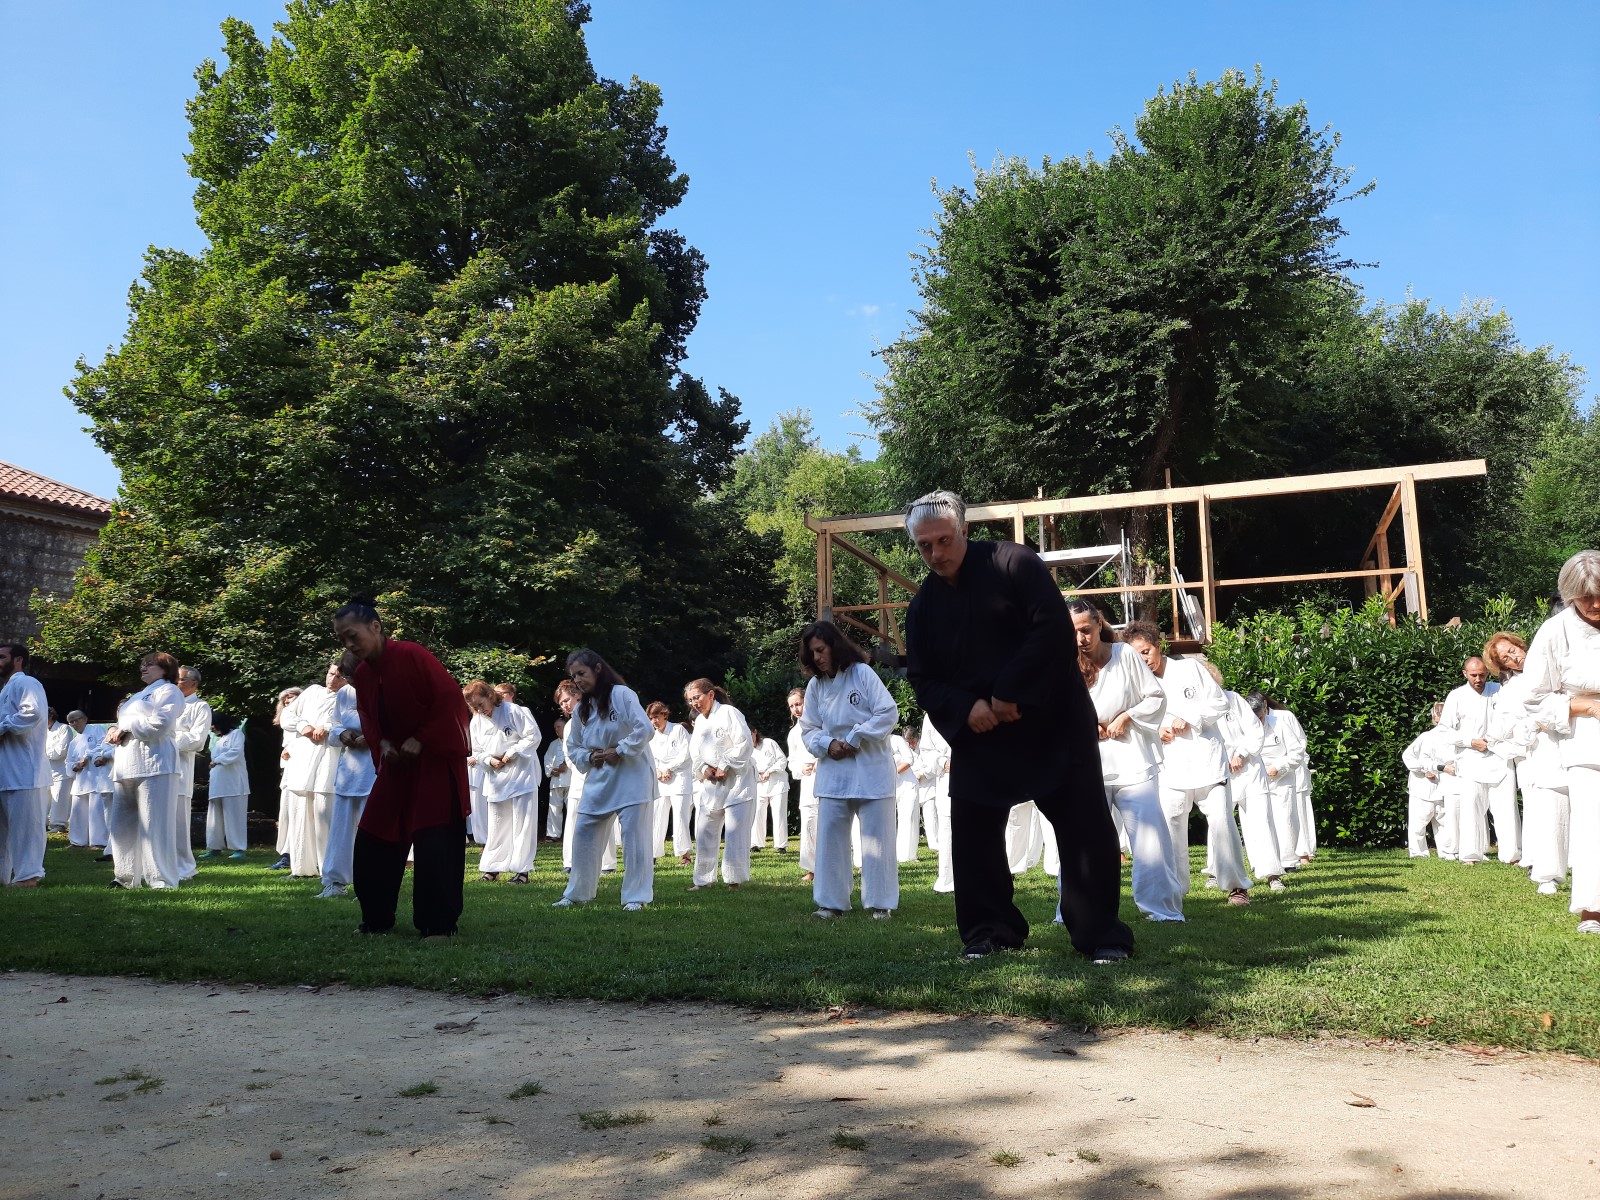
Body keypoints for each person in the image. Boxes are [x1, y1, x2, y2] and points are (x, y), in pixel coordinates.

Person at [903, 490, 1134, 961]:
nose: (936, 554)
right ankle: (989, 930)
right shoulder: (923, 607)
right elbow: (923, 679)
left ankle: (1100, 934)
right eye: (924, 546)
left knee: (1084, 826)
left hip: (1053, 720)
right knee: (973, 834)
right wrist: (967, 708)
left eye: (944, 540)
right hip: (982, 731)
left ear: (964, 530)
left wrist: (1010, 692)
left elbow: (1051, 631)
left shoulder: (1014, 563)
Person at [333, 599, 471, 940]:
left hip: (434, 762)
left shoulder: (412, 654)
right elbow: (369, 716)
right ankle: (376, 919)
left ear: (375, 627)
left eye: (353, 635)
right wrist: (381, 743)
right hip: (397, 766)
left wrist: (422, 738)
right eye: (343, 639)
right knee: (373, 836)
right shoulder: (364, 674)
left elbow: (450, 700)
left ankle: (438, 925)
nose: (349, 644)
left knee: (435, 841)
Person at [1122, 623, 1251, 907]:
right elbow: (1134, 721)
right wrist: (1157, 730)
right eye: (1137, 655)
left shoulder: (1190, 669)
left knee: (1221, 821)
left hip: (1207, 759)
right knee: (1170, 826)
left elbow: (1219, 703)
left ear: (1158, 646)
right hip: (1169, 765)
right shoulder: (1135, 685)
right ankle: (1176, 888)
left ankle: (1236, 886)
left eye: (1146, 651)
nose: (1144, 659)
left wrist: (1190, 718)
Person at [1071, 601, 1184, 923]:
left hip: (1133, 760)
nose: (1080, 639)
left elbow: (1155, 697)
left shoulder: (1125, 655)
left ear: (1098, 625)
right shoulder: (1062, 661)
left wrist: (1127, 716)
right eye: (1073, 632)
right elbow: (1053, 708)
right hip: (1088, 762)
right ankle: (1075, 909)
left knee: (1149, 838)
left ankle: (1161, 908)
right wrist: (1086, 725)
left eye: (1085, 630)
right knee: (1081, 838)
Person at [799, 621, 900, 919]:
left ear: (834, 646)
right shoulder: (816, 686)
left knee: (877, 840)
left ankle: (880, 903)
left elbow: (887, 713)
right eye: (812, 653)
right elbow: (808, 729)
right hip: (834, 772)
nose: (817, 657)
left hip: (871, 769)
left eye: (821, 650)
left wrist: (856, 737)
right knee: (830, 838)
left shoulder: (862, 674)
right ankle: (831, 902)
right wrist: (828, 744)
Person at [1522, 550, 1600, 934]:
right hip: (1586, 742)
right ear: (1570, 596)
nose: (1596, 604)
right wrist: (1585, 706)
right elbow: (1533, 698)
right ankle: (1593, 910)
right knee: (1594, 824)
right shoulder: (1555, 632)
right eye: (1587, 597)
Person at [556, 649, 655, 910]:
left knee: (634, 839)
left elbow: (644, 729)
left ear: (597, 669)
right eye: (574, 676)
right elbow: (573, 747)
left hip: (632, 775)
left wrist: (620, 750)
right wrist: (591, 757)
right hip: (599, 777)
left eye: (581, 673)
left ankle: (636, 897)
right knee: (584, 832)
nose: (578, 680)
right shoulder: (582, 709)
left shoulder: (621, 695)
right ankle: (577, 893)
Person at [105, 652, 187, 889]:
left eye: (150, 665)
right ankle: (125, 877)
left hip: (155, 762)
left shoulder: (169, 691)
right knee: (122, 825)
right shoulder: (137, 696)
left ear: (166, 669)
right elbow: (123, 724)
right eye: (142, 664)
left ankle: (161, 879)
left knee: (154, 824)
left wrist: (125, 728)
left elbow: (160, 724)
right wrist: (114, 729)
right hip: (126, 764)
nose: (143, 668)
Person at [464, 679, 542, 885]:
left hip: (521, 774)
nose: (479, 710)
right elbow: (477, 751)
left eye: (480, 704)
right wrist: (489, 760)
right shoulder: (477, 721)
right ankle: (492, 868)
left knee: (522, 823)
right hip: (495, 778)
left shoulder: (514, 711)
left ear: (490, 696)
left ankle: (522, 871)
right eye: (474, 707)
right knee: (497, 824)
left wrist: (512, 752)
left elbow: (533, 736)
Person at [685, 677, 757, 890]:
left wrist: (725, 765)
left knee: (735, 832)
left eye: (696, 697)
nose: (694, 703)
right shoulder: (700, 722)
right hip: (711, 785)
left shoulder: (729, 713)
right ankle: (703, 880)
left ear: (711, 694)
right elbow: (694, 752)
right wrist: (704, 768)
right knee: (705, 831)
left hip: (737, 782)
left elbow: (744, 743)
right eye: (690, 700)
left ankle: (733, 880)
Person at [1438, 657, 1506, 865]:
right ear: (1465, 674)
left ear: (1488, 673)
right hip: (1469, 757)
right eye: (1474, 675)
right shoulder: (1456, 696)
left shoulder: (1498, 690)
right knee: (1470, 807)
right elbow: (1444, 730)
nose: (1478, 679)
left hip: (1499, 755)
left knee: (1504, 806)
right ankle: (1470, 854)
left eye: (1482, 675)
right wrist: (1470, 741)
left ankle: (1512, 853)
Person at [284, 662, 343, 878]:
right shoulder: (311, 691)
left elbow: (351, 722)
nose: (332, 679)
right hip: (303, 758)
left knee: (324, 813)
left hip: (328, 759)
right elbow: (287, 716)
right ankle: (301, 868)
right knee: (299, 814)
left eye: (338, 676)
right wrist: (304, 726)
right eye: (330, 674)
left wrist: (326, 728)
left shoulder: (349, 695)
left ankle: (328, 868)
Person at [323, 649, 375, 894]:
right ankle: (335, 881)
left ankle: (372, 883)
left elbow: (396, 725)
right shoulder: (344, 693)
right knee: (340, 827)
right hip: (349, 767)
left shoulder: (381, 689)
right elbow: (335, 724)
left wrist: (372, 737)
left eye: (351, 674)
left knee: (371, 829)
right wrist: (341, 733)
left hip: (374, 767)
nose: (348, 679)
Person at [0, 643, 51, 887]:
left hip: (26, 771)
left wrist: (2, 727)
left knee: (26, 828)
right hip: (6, 770)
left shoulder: (27, 683)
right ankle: (3, 876)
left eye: (2, 657)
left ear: (18, 659)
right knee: (4, 831)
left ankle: (29, 875)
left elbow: (32, 713)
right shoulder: (6, 689)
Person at [1247, 691, 1307, 876]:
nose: (1258, 722)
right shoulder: (1242, 727)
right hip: (1255, 780)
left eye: (1260, 717)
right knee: (1256, 822)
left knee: (1286, 819)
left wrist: (1279, 767)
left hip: (1281, 780)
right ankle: (1259, 861)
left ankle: (1288, 861)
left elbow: (1297, 751)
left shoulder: (1280, 724)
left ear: (1265, 709)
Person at [172, 665, 213, 880]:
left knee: (178, 822)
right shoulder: (166, 703)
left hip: (180, 771)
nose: (174, 682)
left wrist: (168, 737)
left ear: (193, 684)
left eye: (179, 679)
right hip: (156, 768)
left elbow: (197, 740)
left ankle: (183, 867)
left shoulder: (200, 706)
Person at [1401, 703, 1449, 858]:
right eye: (1438, 714)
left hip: (1443, 787)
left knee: (1444, 822)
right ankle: (1418, 853)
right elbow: (1408, 756)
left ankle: (1446, 852)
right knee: (1418, 823)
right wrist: (1423, 770)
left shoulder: (1453, 738)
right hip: (1422, 787)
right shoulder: (1426, 737)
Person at [648, 701, 693, 860]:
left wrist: (670, 768)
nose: (654, 721)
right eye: (651, 718)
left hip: (680, 778)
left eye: (656, 717)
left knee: (680, 815)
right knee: (657, 815)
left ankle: (684, 854)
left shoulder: (678, 729)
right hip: (661, 779)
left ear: (664, 715)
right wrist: (658, 771)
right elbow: (651, 757)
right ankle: (653, 853)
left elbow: (686, 753)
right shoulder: (652, 736)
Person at [202, 713, 250, 859]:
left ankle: (238, 848)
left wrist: (217, 760)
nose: (211, 728)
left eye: (213, 724)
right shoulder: (217, 740)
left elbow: (235, 752)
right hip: (218, 782)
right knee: (214, 816)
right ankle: (214, 847)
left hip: (234, 783)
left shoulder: (236, 734)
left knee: (234, 815)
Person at [785, 687, 819, 882]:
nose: (796, 709)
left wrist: (820, 761)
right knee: (808, 825)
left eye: (798, 704)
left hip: (827, 779)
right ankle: (811, 869)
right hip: (807, 783)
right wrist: (800, 768)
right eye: (792, 706)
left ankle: (835, 866)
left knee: (831, 825)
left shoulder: (822, 723)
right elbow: (791, 761)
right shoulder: (793, 733)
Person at [918, 713, 955, 893]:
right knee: (948, 830)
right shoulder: (934, 712)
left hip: (979, 774)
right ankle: (948, 880)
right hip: (948, 777)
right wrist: (943, 762)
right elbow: (926, 750)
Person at [66, 710, 112, 850]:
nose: (74, 723)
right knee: (78, 811)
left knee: (96, 811)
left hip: (96, 777)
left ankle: (98, 841)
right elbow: (69, 762)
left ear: (85, 719)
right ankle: (77, 841)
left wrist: (88, 756)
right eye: (71, 722)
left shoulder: (97, 729)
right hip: (80, 780)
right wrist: (75, 767)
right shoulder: (73, 742)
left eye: (76, 720)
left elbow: (103, 745)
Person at [268, 686, 303, 870]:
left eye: (292, 697)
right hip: (289, 772)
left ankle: (298, 856)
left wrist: (292, 750)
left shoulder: (306, 720)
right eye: (285, 700)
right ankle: (287, 855)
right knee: (287, 814)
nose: (288, 701)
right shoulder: (286, 723)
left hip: (304, 772)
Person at [751, 727, 791, 853]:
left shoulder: (769, 743)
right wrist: (757, 775)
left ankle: (781, 845)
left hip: (777, 783)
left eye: (750, 734)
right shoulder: (746, 749)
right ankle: (755, 844)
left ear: (755, 732)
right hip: (759, 784)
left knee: (779, 813)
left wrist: (770, 771)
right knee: (757, 812)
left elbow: (782, 760)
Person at [891, 727, 922, 863]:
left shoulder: (897, 740)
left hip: (908, 785)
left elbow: (909, 760)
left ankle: (907, 856)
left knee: (908, 819)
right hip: (892, 787)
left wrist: (892, 773)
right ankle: (896, 854)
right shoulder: (876, 742)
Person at [45, 708, 72, 833]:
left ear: (51, 716)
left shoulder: (63, 728)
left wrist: (43, 753)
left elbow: (61, 751)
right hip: (45, 771)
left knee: (60, 798)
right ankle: (42, 823)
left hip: (61, 771)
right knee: (43, 799)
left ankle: (59, 824)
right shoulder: (42, 731)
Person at [543, 715, 569, 840]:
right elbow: (547, 760)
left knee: (572, 808)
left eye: (558, 727)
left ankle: (573, 833)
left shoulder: (573, 742)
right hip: (556, 781)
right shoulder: (553, 744)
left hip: (570, 780)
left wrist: (566, 766)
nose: (556, 730)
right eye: (555, 728)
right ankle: (553, 834)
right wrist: (551, 771)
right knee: (554, 808)